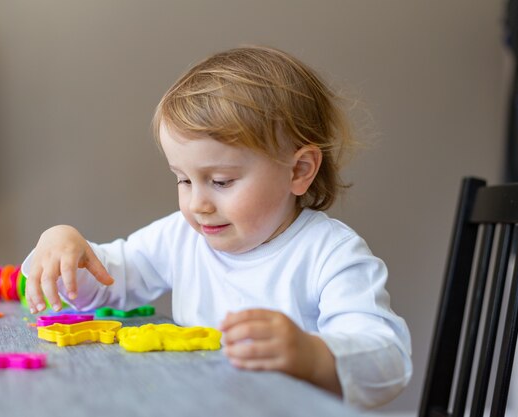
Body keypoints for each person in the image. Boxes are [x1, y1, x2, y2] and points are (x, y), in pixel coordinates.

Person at [22, 45, 412, 409]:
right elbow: (109, 281)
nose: (198, 204)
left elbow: (388, 360)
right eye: (184, 180)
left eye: (222, 181)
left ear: (299, 170)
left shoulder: (329, 254)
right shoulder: (182, 236)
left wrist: (311, 355)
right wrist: (65, 252)